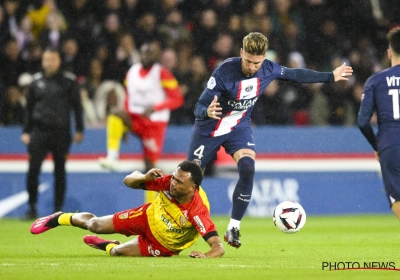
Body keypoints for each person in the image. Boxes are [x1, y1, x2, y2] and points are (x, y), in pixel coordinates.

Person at [187, 32, 353, 248]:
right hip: (208, 129)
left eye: (257, 62)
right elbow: (198, 107)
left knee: (247, 167)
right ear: (241, 53)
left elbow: (296, 74)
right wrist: (206, 112)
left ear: (264, 58)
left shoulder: (269, 68)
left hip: (238, 128)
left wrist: (330, 76)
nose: (252, 67)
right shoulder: (224, 71)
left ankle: (234, 227)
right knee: (187, 182)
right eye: (248, 61)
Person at [29, 161, 225, 258]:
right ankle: (60, 218)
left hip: (164, 245)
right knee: (95, 224)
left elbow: (218, 247)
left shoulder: (197, 210)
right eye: (173, 177)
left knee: (116, 253)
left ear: (192, 188)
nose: (172, 183)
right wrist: (143, 178)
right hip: (146, 217)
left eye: (178, 182)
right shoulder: (167, 182)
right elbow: (128, 182)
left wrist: (205, 256)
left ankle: (107, 245)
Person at [98, 40, 183, 202]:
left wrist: (156, 107)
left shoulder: (162, 73)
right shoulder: (132, 72)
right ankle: (112, 157)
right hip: (136, 117)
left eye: (150, 53)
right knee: (116, 115)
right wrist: (123, 127)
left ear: (156, 56)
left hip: (154, 123)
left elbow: (177, 99)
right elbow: (128, 97)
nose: (146, 56)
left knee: (150, 166)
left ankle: (153, 203)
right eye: (144, 52)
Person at [21, 47, 84, 220]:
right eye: (46, 60)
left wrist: (79, 129)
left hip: (61, 133)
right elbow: (29, 109)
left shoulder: (69, 81)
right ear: (42, 61)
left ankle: (58, 209)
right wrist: (26, 131)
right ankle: (32, 207)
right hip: (39, 132)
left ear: (59, 61)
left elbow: (77, 107)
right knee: (33, 170)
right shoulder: (35, 81)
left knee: (60, 171)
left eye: (52, 59)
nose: (49, 63)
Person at [358, 27, 400, 221]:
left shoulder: (376, 81)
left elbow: (363, 122)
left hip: (391, 143)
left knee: (397, 197)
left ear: (389, 52)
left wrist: (377, 146)